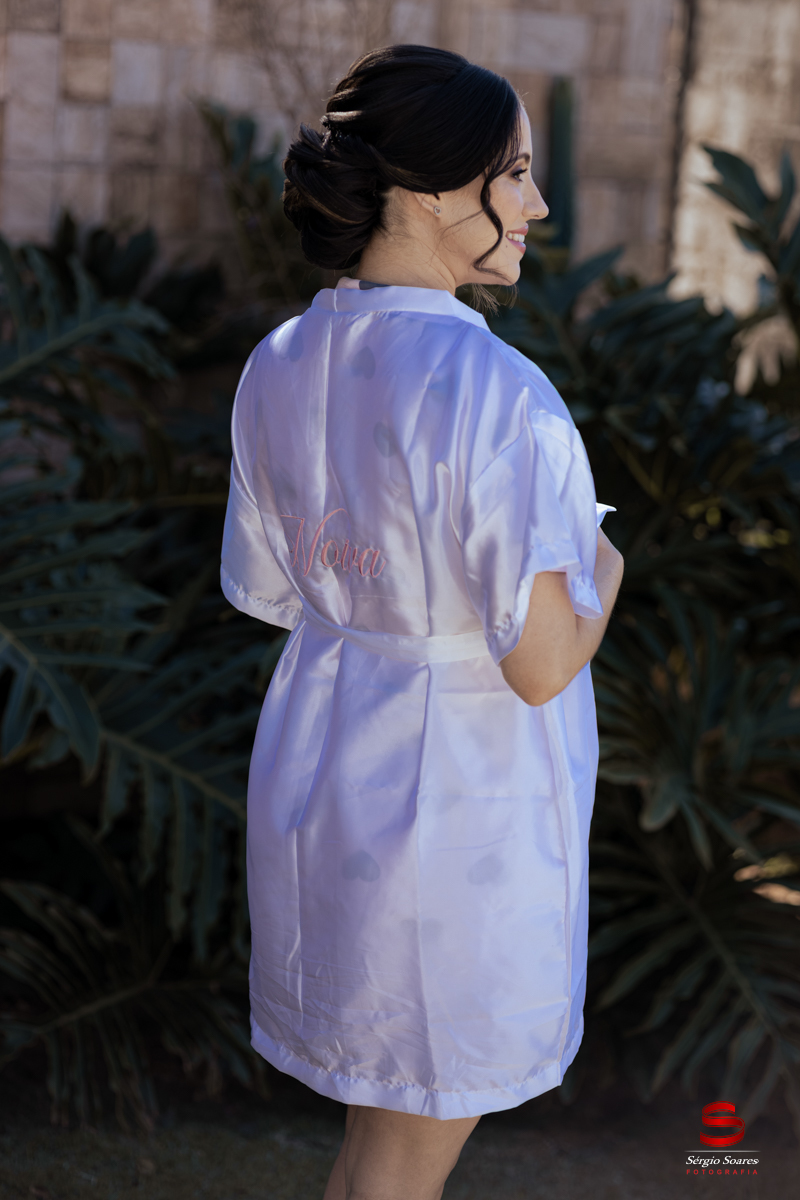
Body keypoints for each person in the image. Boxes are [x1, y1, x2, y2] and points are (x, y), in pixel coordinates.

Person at [220, 44, 623, 1200]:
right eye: (516, 175)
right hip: (457, 816)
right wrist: (604, 565)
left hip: (326, 782)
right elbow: (539, 663)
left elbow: (275, 590)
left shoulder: (279, 362)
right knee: (404, 1152)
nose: (535, 206)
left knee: (379, 1144)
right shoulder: (497, 392)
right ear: (434, 192)